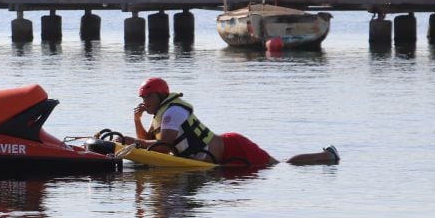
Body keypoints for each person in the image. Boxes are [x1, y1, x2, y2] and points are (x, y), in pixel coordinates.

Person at [124, 77, 339, 167]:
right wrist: (136, 120)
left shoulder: (173, 112)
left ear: (161, 96)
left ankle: (328, 155)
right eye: (142, 99)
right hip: (215, 156)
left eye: (148, 98)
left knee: (280, 166)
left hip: (233, 147)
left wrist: (131, 142)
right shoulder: (161, 116)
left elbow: (164, 147)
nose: (145, 102)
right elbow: (149, 142)